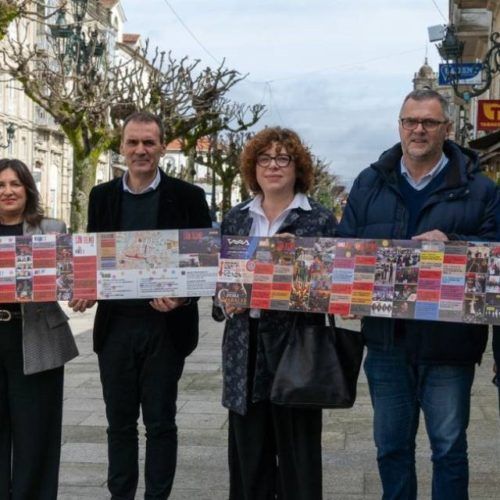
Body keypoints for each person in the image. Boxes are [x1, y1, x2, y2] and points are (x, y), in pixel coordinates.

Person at [337, 88, 499, 500]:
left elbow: (496, 254)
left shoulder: (481, 189)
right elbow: (345, 248)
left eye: (429, 122)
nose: (419, 129)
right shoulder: (369, 182)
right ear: (400, 126)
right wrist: (347, 291)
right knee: (391, 448)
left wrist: (453, 242)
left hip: (450, 345)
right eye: (411, 121)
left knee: (448, 449)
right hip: (387, 342)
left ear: (446, 128)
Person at [70, 111, 211, 499]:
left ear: (162, 147)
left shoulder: (189, 197)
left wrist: (182, 296)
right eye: (133, 142)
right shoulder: (101, 197)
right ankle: (121, 495)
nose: (140, 150)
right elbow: (94, 259)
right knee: (119, 423)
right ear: (122, 147)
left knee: (161, 422)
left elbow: (204, 263)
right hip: (116, 326)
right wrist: (86, 288)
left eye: (149, 142)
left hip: (166, 327)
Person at [215, 127, 337, 499]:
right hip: (244, 348)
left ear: (297, 167)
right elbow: (220, 287)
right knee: (249, 463)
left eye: (282, 158)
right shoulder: (236, 219)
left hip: (296, 347)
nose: (273, 166)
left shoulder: (318, 219)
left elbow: (329, 291)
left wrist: (293, 261)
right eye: (264, 159)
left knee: (299, 461)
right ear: (253, 168)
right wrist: (227, 300)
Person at [0, 159, 78, 499]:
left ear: (28, 188)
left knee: (37, 432)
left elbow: (72, 279)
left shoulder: (50, 228)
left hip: (35, 335)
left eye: (15, 184)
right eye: (0, 185)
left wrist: (80, 289)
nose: (7, 191)